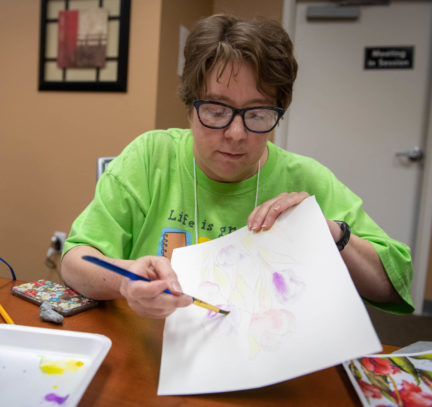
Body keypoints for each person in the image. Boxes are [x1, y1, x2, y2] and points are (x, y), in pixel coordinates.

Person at [60, 14, 414, 319]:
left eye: (258, 114)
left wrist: (334, 234)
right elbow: (75, 260)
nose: (235, 133)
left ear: (278, 113)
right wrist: (125, 280)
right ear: (190, 107)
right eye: (216, 110)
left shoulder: (305, 179)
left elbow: (393, 286)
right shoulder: (151, 157)